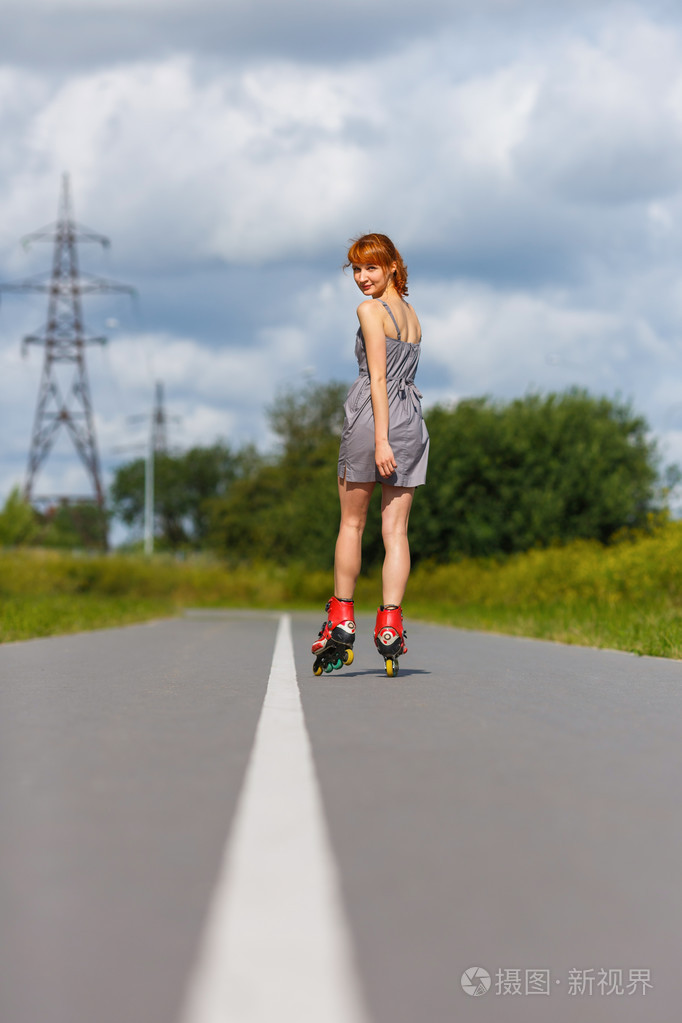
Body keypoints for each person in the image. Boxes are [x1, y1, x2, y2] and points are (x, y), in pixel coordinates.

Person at [312, 233, 429, 677]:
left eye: (371, 268)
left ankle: (341, 621)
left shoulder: (370, 310)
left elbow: (378, 379)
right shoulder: (412, 316)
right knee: (396, 531)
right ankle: (390, 627)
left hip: (373, 419)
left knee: (352, 523)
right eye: (356, 269)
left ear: (393, 266)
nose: (362, 278)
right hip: (411, 420)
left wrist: (381, 440)